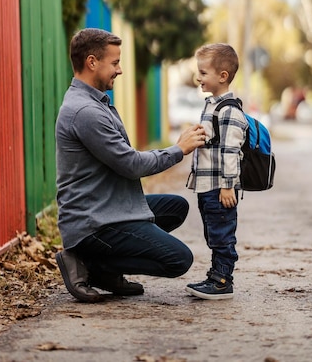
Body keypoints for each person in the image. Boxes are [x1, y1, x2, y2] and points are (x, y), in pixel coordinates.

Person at [55, 28, 206, 303]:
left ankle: (105, 269)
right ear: (92, 62)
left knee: (176, 207)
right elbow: (131, 164)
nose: (120, 70)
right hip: (93, 222)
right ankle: (91, 263)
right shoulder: (85, 111)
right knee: (178, 259)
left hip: (109, 206)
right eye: (114, 63)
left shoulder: (95, 101)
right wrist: (178, 150)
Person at [185, 43, 248, 300]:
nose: (198, 78)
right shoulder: (212, 105)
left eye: (203, 72)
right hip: (206, 186)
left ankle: (223, 281)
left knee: (222, 234)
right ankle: (215, 275)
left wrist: (227, 185)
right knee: (213, 232)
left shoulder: (229, 110)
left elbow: (231, 151)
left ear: (222, 76)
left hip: (218, 188)